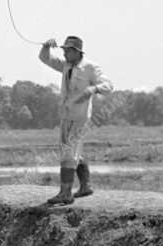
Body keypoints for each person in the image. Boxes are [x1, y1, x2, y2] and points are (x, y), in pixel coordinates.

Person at [38, 35, 113, 205]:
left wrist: (93, 89)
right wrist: (46, 46)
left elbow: (109, 85)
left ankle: (65, 193)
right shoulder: (66, 65)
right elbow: (45, 58)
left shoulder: (90, 67)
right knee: (74, 151)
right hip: (66, 115)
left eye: (66, 51)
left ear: (76, 51)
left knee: (68, 154)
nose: (64, 53)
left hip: (80, 117)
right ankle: (85, 186)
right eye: (63, 50)